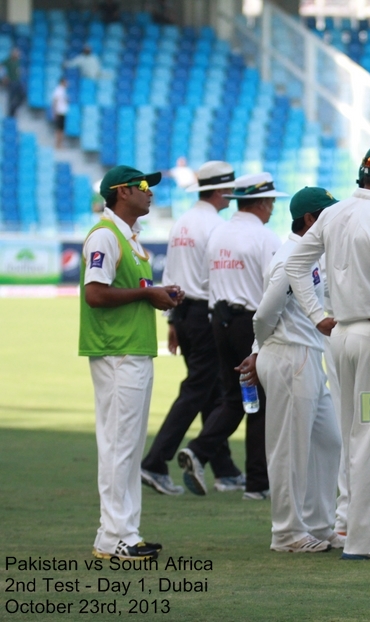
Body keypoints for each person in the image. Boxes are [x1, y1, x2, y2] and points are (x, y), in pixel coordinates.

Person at [284, 142, 370, 560]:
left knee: (352, 437)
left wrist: (315, 315)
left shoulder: (333, 212)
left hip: (340, 333)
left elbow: (296, 265)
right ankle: (364, 540)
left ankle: (351, 526)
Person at [79, 165, 181, 560]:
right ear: (121, 192)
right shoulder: (106, 235)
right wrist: (146, 296)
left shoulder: (127, 237)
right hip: (117, 351)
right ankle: (115, 535)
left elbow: (130, 290)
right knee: (120, 446)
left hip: (131, 349)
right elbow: (96, 294)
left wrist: (157, 293)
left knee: (126, 445)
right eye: (142, 186)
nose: (149, 193)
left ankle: (124, 532)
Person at [177, 172, 284, 500]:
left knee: (235, 398)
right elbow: (276, 288)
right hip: (250, 324)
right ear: (263, 202)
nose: (273, 209)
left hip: (218, 320)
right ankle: (257, 483)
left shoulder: (219, 232)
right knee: (261, 403)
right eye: (272, 202)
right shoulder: (265, 238)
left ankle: (200, 451)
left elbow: (206, 282)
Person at [141, 161, 243, 496]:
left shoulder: (183, 222)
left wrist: (172, 320)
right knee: (200, 390)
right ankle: (155, 462)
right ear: (221, 189)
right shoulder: (216, 226)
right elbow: (220, 277)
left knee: (211, 391)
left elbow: (170, 272)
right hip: (204, 313)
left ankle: (225, 470)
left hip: (182, 311)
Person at [254, 187, 343, 554]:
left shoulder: (308, 255)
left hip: (306, 356)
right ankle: (287, 532)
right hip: (290, 356)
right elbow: (264, 314)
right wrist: (262, 349)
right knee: (289, 448)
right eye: (327, 215)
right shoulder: (291, 258)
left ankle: (320, 524)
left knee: (328, 441)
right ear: (310, 220)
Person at [2, 48, 25, 117]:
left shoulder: (18, 61)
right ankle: (10, 114)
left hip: (17, 81)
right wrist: (4, 76)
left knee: (22, 95)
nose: (18, 54)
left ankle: (14, 109)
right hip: (11, 82)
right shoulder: (8, 60)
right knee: (11, 98)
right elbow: (1, 67)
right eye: (16, 53)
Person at [52, 78, 68, 149]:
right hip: (59, 112)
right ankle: (58, 144)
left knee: (61, 129)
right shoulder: (58, 90)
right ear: (62, 82)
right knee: (59, 129)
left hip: (63, 112)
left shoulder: (63, 91)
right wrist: (55, 112)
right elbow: (55, 101)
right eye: (65, 82)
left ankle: (60, 144)